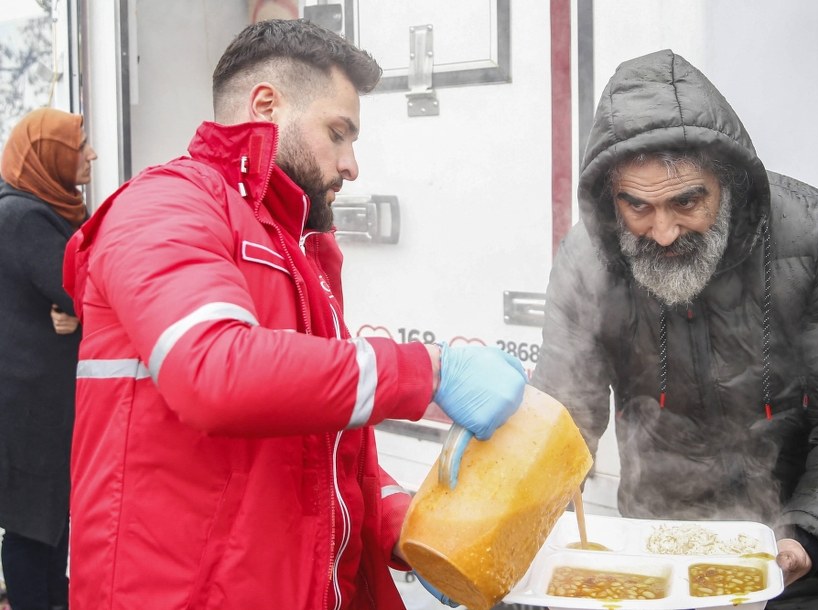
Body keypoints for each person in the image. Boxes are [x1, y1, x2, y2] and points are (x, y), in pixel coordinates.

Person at [61, 18, 526, 610]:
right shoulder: (164, 204)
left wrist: (406, 527)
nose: (352, 164)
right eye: (339, 133)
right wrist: (430, 371)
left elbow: (322, 446)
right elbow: (214, 373)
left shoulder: (299, 248)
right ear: (265, 105)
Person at [531, 49, 818, 609]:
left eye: (687, 202)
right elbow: (561, 420)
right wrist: (524, 528)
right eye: (637, 206)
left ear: (727, 181)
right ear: (611, 198)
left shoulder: (814, 232)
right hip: (662, 556)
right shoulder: (589, 259)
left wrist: (808, 534)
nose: (662, 232)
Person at [0, 107, 96, 610]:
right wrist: (78, 310)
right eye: (80, 149)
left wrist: (76, 313)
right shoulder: (22, 217)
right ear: (50, 158)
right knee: (33, 526)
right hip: (30, 408)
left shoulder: (38, 207)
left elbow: (77, 297)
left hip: (37, 401)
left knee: (46, 521)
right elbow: (84, 289)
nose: (92, 155)